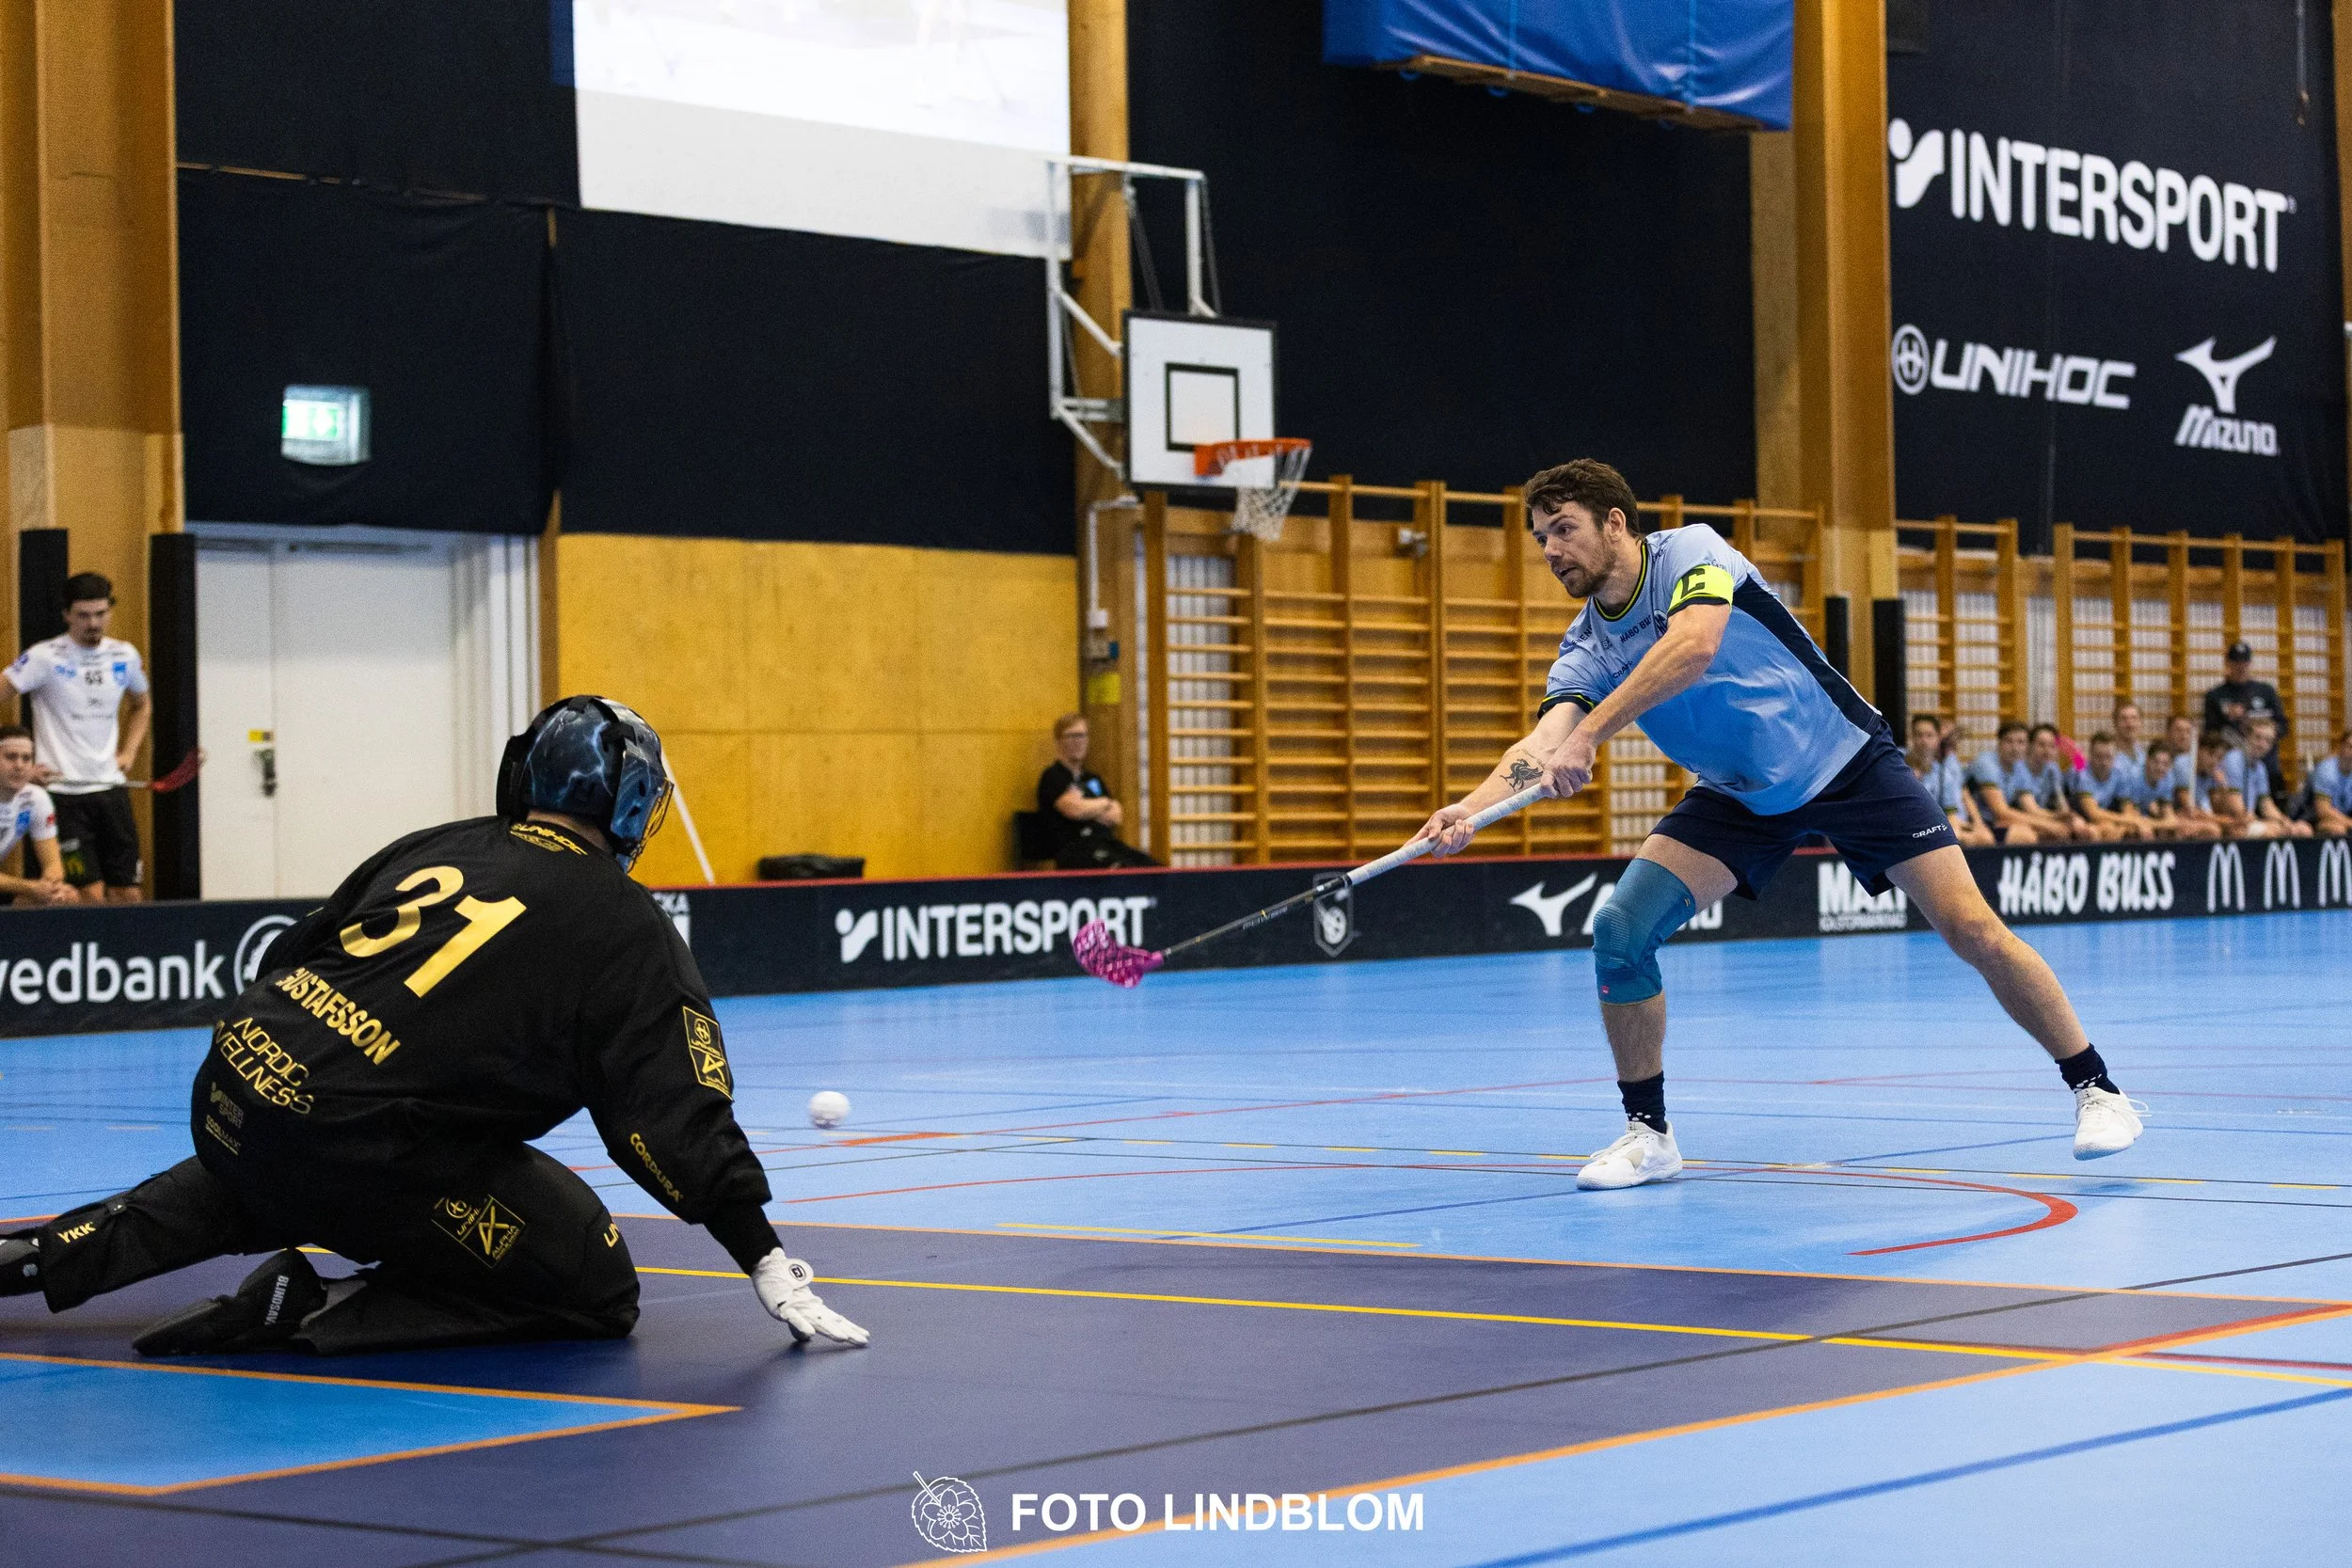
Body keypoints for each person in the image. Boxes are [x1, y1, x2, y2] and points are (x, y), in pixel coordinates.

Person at [0, 696, 869, 1357]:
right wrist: (759, 1250)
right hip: (356, 1156)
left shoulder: (440, 842)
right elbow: (670, 1113)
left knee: (280, 1152)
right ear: (634, 806)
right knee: (596, 1283)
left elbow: (297, 953)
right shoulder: (626, 923)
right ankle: (313, 1308)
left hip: (234, 1092)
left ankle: (39, 1255)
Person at [1416, 459, 2141, 1191]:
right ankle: (1649, 1133)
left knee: (1971, 928)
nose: (1551, 551)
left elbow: (1693, 645)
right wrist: (1467, 811)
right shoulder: (1585, 645)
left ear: (1615, 523)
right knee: (1621, 931)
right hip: (1740, 795)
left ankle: (2097, 1087)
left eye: (1563, 530)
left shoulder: (1690, 553)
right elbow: (1540, 746)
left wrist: (1591, 735)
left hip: (1848, 761)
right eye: (1541, 537)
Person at [5, 574, 151, 901]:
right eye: (84, 615)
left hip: (111, 789)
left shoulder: (124, 656)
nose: (93, 623)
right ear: (67, 614)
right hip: (63, 793)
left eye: (100, 614)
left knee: (128, 893)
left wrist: (128, 752)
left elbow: (141, 705)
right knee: (88, 895)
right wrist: (23, 769)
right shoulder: (45, 656)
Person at [1037, 713, 1156, 870]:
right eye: (1073, 736)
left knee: (1153, 869)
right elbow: (1074, 810)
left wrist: (1100, 804)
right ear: (1059, 741)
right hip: (1075, 849)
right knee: (1121, 869)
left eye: (1083, 736)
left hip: (1105, 843)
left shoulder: (1092, 778)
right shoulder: (1053, 776)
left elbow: (1116, 816)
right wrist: (1102, 805)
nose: (1079, 742)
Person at [0, 725, 72, 905]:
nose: (19, 765)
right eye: (10, 757)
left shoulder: (35, 798)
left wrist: (51, 887)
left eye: (26, 759)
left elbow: (53, 864)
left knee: (64, 897)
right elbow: (28, 888)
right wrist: (30, 887)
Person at [1908, 713, 1990, 847]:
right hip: (1907, 827)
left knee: (1982, 838)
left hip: (1935, 828)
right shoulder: (1898, 762)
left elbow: (1951, 812)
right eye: (1919, 735)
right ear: (1912, 738)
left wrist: (1962, 828)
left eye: (1929, 735)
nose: (1924, 740)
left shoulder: (1943, 772)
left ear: (1938, 738)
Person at [2223, 717, 2310, 840]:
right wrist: (2263, 823)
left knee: (2303, 829)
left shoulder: (2260, 767)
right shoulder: (2234, 759)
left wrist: (2286, 822)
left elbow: (2266, 805)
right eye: (2258, 738)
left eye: (2268, 741)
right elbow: (2235, 808)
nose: (2262, 745)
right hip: (2232, 823)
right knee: (2272, 832)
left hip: (2248, 820)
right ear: (2246, 737)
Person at [1963, 722, 2045, 846]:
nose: (2015, 748)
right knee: (2025, 835)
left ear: (2027, 746)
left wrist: (2057, 821)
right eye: (2009, 741)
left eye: (2021, 742)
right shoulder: (1986, 764)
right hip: (1973, 821)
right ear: (1999, 743)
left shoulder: (2020, 767)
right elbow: (2000, 812)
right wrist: (2048, 825)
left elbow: (2031, 807)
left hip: (1995, 822)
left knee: (2044, 831)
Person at [2026, 723, 2102, 841]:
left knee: (2084, 828)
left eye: (2052, 746)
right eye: (2041, 745)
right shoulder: (2020, 769)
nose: (2047, 751)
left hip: (2047, 815)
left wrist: (2070, 818)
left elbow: (2081, 766)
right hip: (2026, 818)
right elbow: (2030, 810)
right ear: (2030, 746)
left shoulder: (2053, 769)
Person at [2202, 641, 2285, 742]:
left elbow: (2283, 727)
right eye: (2236, 662)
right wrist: (2229, 719)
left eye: (2244, 662)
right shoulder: (2215, 695)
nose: (2241, 667)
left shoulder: (2266, 692)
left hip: (2265, 755)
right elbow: (2210, 732)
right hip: (2231, 754)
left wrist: (2263, 730)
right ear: (2228, 663)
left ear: (2250, 663)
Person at [2072, 732, 2148, 842]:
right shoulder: (2082, 774)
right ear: (2090, 756)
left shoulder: (2120, 772)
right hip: (2080, 817)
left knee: (2137, 830)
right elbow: (2093, 813)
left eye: (2108, 757)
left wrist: (2122, 828)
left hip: (2107, 816)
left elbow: (2128, 808)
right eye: (2099, 757)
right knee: (2096, 831)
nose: (2104, 762)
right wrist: (2130, 821)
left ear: (2115, 756)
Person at [2133, 740, 2213, 840]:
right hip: (2127, 813)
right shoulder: (2134, 776)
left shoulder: (2168, 777)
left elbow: (2167, 810)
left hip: (2149, 815)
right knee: (2145, 832)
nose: (2160, 767)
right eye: (2156, 762)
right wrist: (2160, 823)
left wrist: (2176, 824)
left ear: (2170, 765)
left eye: (2165, 764)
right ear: (2147, 760)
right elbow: (2131, 813)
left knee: (2183, 829)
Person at [2308, 730, 2352, 837]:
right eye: (2350, 747)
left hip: (2344, 818)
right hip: (2312, 819)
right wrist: (2350, 823)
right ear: (2341, 747)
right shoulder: (2326, 770)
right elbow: (2323, 810)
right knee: (2336, 828)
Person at [2111, 701, 2148, 771]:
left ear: (2141, 723)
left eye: (2134, 718)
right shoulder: (2107, 757)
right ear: (2115, 724)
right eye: (2124, 719)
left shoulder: (2146, 756)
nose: (2130, 724)